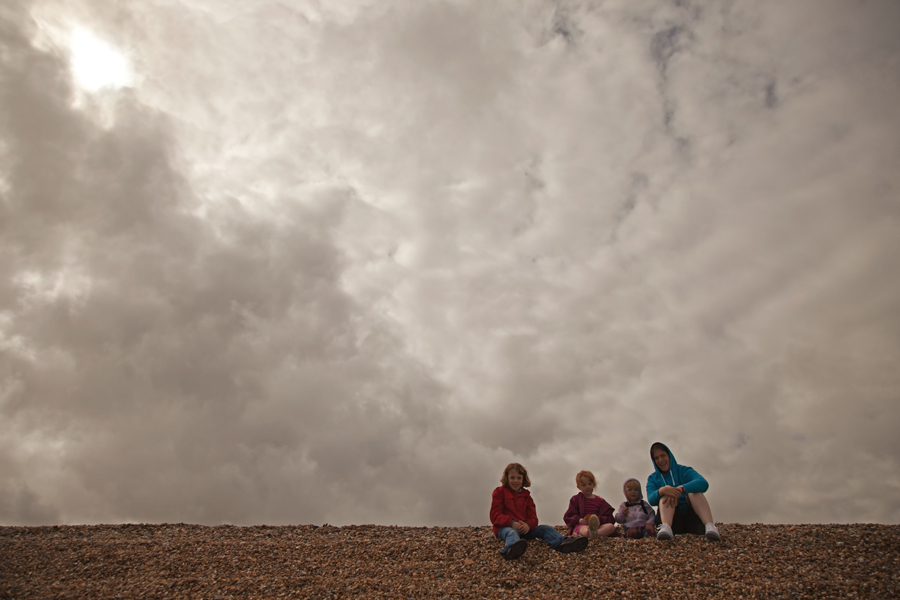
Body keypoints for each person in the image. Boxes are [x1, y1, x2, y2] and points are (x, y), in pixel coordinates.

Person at [490, 462, 589, 560]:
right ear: (507, 478)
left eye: (519, 478)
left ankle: (562, 542)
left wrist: (528, 525)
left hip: (524, 530)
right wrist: (512, 523)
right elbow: (495, 515)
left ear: (523, 479)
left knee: (545, 528)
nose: (515, 481)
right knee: (512, 532)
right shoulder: (499, 492)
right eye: (512, 478)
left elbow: (533, 518)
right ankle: (511, 549)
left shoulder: (527, 497)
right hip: (505, 528)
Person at [646, 442, 721, 541]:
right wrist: (662, 490)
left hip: (692, 518)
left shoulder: (684, 470)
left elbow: (703, 483)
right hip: (673, 522)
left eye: (663, 456)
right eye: (656, 458)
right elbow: (651, 499)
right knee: (666, 494)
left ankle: (709, 525)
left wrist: (681, 489)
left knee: (695, 492)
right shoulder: (653, 478)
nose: (660, 460)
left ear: (669, 455)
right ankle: (666, 527)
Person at [563, 470, 617, 540]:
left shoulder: (600, 501)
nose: (587, 487)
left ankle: (594, 534)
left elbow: (610, 518)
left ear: (593, 484)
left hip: (597, 526)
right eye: (584, 485)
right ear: (578, 487)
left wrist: (597, 520)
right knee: (584, 529)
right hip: (582, 525)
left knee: (610, 527)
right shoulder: (575, 499)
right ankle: (590, 533)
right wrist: (579, 520)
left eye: (589, 484)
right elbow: (568, 517)